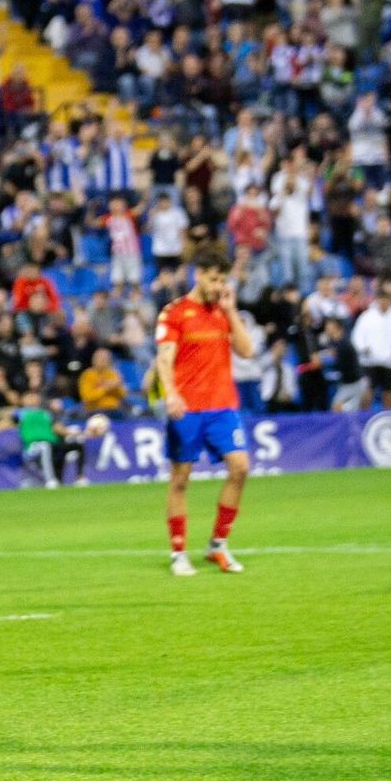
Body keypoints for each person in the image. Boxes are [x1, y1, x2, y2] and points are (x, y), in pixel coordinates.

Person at [155, 245, 256, 576]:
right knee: (181, 478)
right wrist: (170, 394)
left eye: (222, 280)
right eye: (213, 279)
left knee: (240, 467)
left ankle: (218, 545)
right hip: (187, 409)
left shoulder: (222, 312)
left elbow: (247, 351)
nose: (217, 286)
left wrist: (230, 311)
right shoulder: (173, 313)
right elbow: (164, 359)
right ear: (198, 275)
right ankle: (178, 552)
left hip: (222, 406)